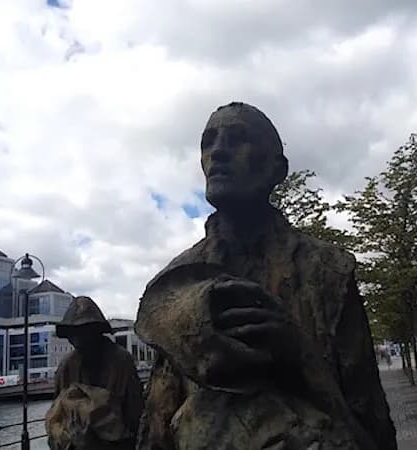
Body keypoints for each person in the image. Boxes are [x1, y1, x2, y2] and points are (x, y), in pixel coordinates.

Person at [135, 102, 397, 450]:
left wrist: (298, 356)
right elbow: (157, 428)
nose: (218, 153)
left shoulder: (329, 271)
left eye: (238, 139)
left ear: (278, 169)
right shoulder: (177, 283)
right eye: (208, 142)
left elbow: (369, 426)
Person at [46, 296, 144, 450]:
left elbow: (136, 420)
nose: (79, 340)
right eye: (74, 334)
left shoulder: (121, 362)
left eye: (85, 333)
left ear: (97, 331)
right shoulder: (66, 368)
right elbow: (57, 419)